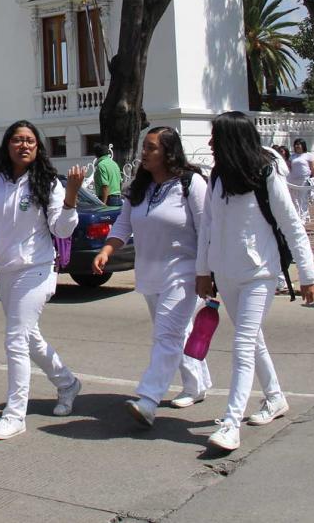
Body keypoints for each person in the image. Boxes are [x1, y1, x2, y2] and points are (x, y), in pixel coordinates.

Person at [195, 111, 314, 452]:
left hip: (259, 274)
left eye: (215, 137)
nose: (210, 144)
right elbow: (207, 226)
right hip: (225, 273)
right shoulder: (217, 177)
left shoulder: (266, 175)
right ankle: (275, 398)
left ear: (232, 141)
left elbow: (292, 225)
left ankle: (231, 423)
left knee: (243, 344)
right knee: (252, 340)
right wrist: (203, 271)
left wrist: (308, 275)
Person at [92, 127, 212, 428]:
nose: (144, 152)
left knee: (167, 336)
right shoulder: (138, 188)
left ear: (169, 152)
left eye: (151, 148)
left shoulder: (191, 184)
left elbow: (207, 230)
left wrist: (205, 272)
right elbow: (122, 225)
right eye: (144, 146)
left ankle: (148, 399)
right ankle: (196, 385)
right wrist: (106, 250)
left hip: (183, 271)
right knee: (176, 332)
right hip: (149, 274)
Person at [0, 120, 84, 441]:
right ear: (7, 145)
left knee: (15, 340)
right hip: (6, 271)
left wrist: (72, 196)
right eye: (18, 140)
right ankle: (67, 383)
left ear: (38, 148)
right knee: (29, 337)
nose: (24, 146)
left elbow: (62, 229)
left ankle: (14, 414)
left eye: (30, 142)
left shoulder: (48, 183)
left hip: (37, 269)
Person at [287, 139, 314, 223]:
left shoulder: (308, 155)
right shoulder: (292, 156)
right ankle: (299, 215)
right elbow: (289, 168)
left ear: (303, 146)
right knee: (295, 199)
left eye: (299, 144)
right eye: (296, 145)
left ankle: (303, 218)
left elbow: (313, 169)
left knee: (303, 199)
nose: (297, 146)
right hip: (293, 180)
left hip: (304, 180)